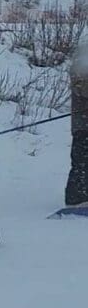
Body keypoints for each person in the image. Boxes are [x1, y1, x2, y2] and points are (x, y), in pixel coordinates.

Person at [65, 39, 88, 206]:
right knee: (81, 161)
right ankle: (75, 199)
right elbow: (80, 87)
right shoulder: (82, 59)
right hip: (83, 124)